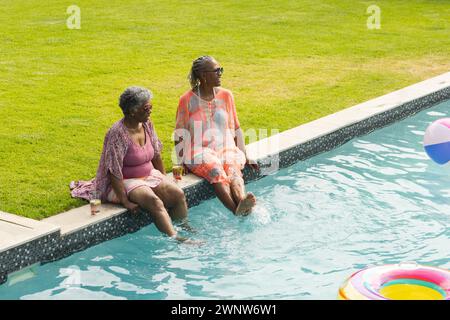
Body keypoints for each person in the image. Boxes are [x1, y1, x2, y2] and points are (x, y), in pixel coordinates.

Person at [71, 86, 189, 241]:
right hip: (125, 180)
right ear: (133, 111)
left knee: (178, 194)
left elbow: (156, 154)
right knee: (154, 201)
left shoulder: (146, 124)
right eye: (147, 107)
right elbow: (114, 170)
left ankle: (184, 226)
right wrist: (125, 201)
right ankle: (175, 238)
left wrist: (163, 177)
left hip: (148, 175)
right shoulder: (117, 133)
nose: (150, 110)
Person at [174, 56, 257, 215]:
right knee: (215, 169)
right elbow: (179, 133)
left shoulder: (226, 95)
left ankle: (241, 200)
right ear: (204, 75)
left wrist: (245, 155)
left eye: (221, 70)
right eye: (217, 71)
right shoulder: (186, 100)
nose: (220, 73)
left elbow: (236, 127)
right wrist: (179, 162)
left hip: (225, 146)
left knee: (232, 167)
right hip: (198, 150)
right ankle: (236, 210)